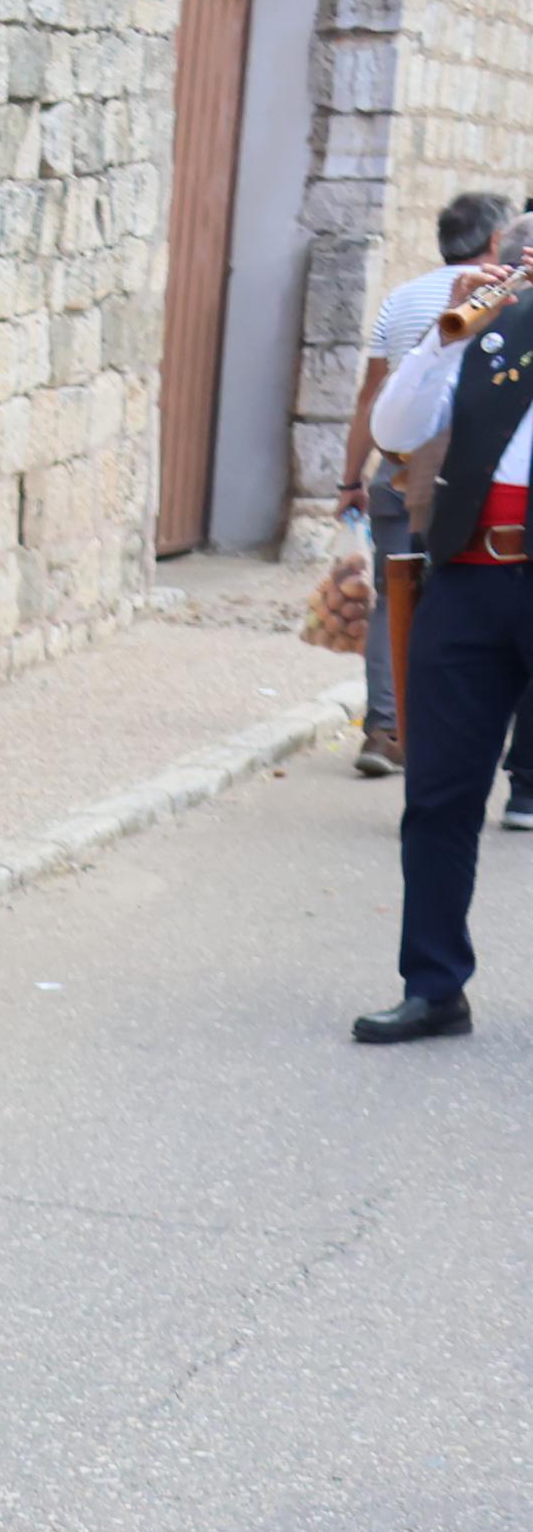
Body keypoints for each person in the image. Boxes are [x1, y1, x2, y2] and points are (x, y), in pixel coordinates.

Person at [352, 246, 533, 1043]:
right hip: (468, 579)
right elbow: (394, 431)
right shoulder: (497, 333)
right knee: (437, 795)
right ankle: (433, 986)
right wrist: (445, 339)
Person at [340, 191, 514, 779]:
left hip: (401, 475)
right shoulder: (505, 296)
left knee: (399, 597)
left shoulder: (401, 297)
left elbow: (372, 398)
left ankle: (386, 728)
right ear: (495, 242)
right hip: (468, 485)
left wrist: (349, 479)